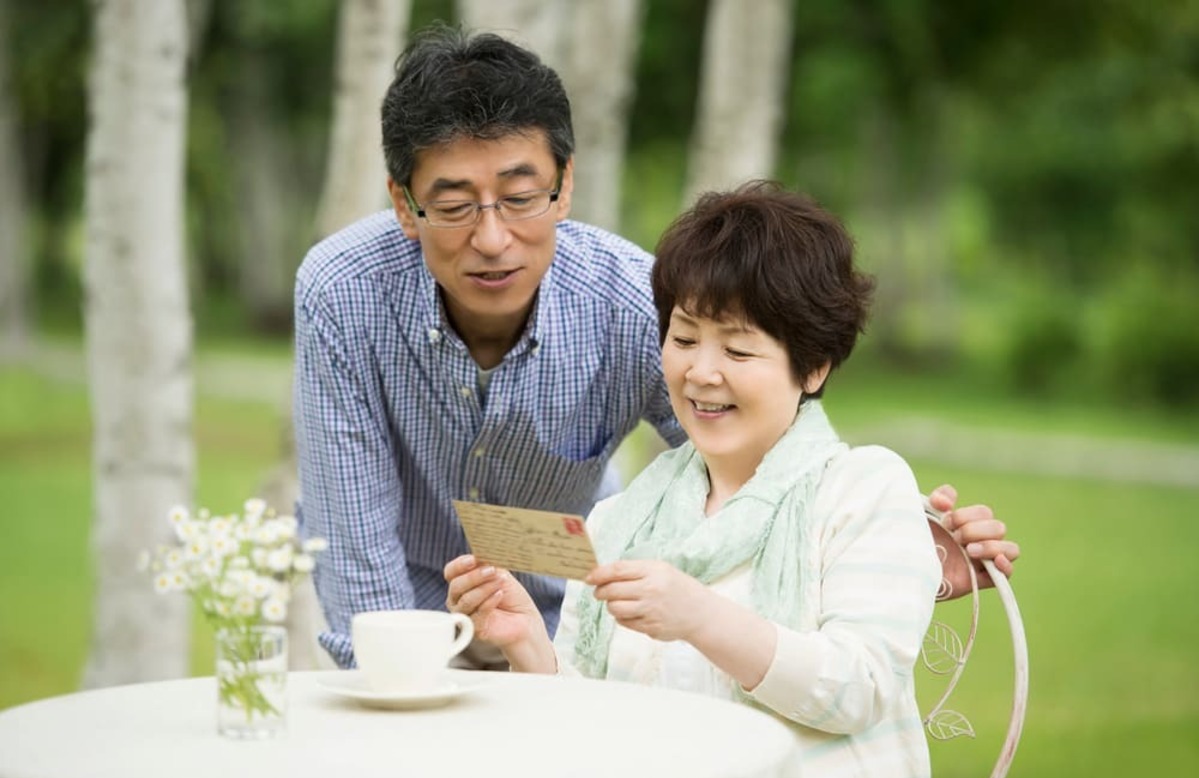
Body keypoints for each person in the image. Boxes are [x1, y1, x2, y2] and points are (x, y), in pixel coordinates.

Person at [293, 23, 1018, 670]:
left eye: (520, 197)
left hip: (572, 624)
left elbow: (756, 463)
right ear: (402, 204)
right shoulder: (342, 292)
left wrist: (886, 543)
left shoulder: (632, 301)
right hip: (401, 630)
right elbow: (353, 538)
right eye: (452, 207)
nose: (491, 238)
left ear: (565, 184)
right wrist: (398, 690)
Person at [446, 182, 943, 778]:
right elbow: (583, 728)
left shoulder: (862, 489)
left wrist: (700, 616)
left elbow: (858, 688)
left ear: (813, 366)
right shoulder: (619, 520)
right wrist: (526, 644)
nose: (701, 372)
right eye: (683, 339)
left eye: (737, 347)